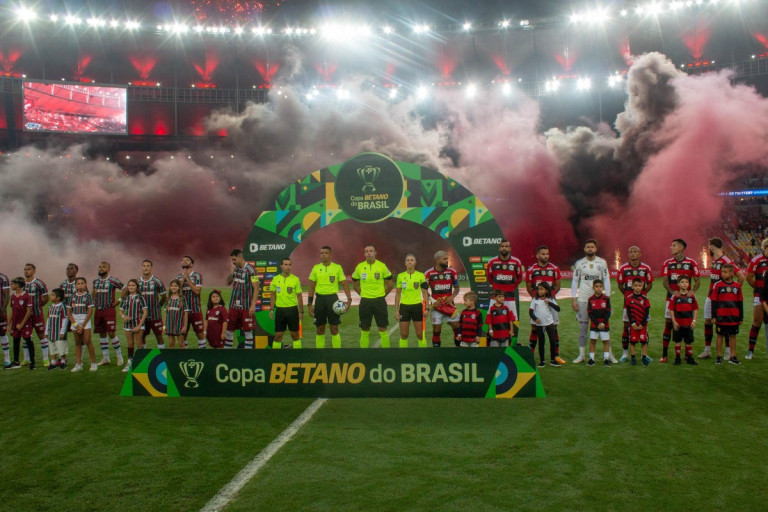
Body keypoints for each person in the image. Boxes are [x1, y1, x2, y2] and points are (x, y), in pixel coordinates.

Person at [699, 238, 744, 359]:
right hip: (711, 297)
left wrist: (733, 293)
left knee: (726, 325)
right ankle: (707, 350)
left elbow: (741, 277)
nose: (708, 248)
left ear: (712, 246)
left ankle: (728, 351)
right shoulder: (714, 260)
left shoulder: (726, 260)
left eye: (709, 246)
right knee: (707, 321)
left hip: (722, 300)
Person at [571, 240, 614, 363]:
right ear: (584, 249)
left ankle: (609, 354)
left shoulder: (602, 262)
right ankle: (582, 355)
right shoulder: (579, 263)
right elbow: (574, 281)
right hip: (584, 299)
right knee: (583, 327)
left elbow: (606, 279)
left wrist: (608, 297)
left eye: (592, 247)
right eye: (588, 246)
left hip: (600, 300)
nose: (590, 248)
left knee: (604, 326)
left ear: (596, 249)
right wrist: (574, 298)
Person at [660, 239, 700, 363]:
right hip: (671, 298)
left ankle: (688, 355)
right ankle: (664, 354)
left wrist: (693, 291)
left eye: (674, 245)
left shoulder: (691, 262)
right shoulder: (667, 263)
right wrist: (672, 293)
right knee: (669, 324)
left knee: (687, 324)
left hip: (687, 299)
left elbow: (697, 280)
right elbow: (665, 281)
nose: (671, 247)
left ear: (681, 247)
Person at [525, 245, 566, 364]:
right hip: (537, 303)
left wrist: (550, 297)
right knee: (535, 328)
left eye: (547, 254)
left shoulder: (554, 268)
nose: (545, 256)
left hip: (551, 302)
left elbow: (557, 286)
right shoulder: (531, 270)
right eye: (543, 254)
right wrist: (537, 299)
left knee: (554, 328)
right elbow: (529, 287)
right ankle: (530, 355)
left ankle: (556, 356)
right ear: (537, 255)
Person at [307, 246, 352, 349]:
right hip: (320, 300)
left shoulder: (337, 267)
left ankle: (336, 354)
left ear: (330, 255)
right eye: (321, 253)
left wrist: (349, 300)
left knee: (334, 328)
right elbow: (312, 287)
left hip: (333, 299)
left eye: (326, 253)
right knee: (320, 329)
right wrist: (309, 304)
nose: (323, 255)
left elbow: (344, 284)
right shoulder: (316, 268)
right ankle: (320, 354)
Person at [616, 246, 654, 362]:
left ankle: (644, 354)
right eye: (631, 252)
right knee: (627, 327)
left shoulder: (646, 268)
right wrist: (628, 296)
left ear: (640, 254)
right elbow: (620, 285)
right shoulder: (623, 268)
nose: (633, 254)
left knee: (644, 327)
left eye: (635, 252)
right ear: (628, 254)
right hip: (628, 304)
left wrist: (642, 294)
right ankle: (625, 354)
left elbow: (650, 284)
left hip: (642, 304)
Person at [351, 245, 393, 348]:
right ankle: (364, 354)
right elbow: (355, 286)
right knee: (364, 329)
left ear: (375, 253)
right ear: (364, 254)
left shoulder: (382, 266)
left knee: (383, 329)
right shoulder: (359, 267)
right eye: (366, 251)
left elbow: (390, 285)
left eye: (371, 251)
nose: (369, 253)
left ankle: (386, 354)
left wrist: (381, 296)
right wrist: (364, 295)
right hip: (365, 302)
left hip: (379, 301)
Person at [486, 239, 525, 343]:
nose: (504, 248)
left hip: (510, 298)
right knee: (493, 320)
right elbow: (489, 277)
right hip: (495, 299)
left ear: (510, 248)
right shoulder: (492, 262)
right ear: (499, 248)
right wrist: (496, 287)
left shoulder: (516, 262)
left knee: (511, 320)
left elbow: (520, 277)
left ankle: (510, 344)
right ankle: (493, 343)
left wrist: (512, 286)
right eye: (502, 246)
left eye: (506, 246)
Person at [425, 251, 461, 347]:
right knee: (436, 331)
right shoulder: (429, 273)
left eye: (447, 259)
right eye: (444, 259)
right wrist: (433, 301)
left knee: (457, 327)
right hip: (436, 307)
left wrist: (451, 297)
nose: (446, 261)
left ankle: (459, 351)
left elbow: (457, 288)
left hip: (450, 305)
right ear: (437, 260)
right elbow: (424, 290)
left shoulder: (452, 272)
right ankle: (437, 353)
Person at [92, 262, 124, 366]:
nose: (101, 268)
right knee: (102, 333)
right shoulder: (95, 281)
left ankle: (119, 357)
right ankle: (106, 358)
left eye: (103, 267)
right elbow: (94, 293)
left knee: (111, 333)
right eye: (100, 267)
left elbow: (125, 288)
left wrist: (119, 300)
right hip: (98, 310)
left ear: (108, 269)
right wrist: (93, 298)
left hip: (109, 310)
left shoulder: (113, 280)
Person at [226, 249, 259, 349]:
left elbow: (256, 288)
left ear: (240, 257)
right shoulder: (235, 269)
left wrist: (253, 305)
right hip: (233, 306)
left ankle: (247, 353)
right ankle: (227, 353)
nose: (233, 262)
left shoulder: (251, 270)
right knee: (229, 329)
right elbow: (228, 282)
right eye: (232, 260)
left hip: (246, 306)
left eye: (234, 259)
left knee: (248, 330)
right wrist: (231, 272)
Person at [710, 264, 743, 365]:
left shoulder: (737, 286)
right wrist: (714, 316)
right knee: (720, 335)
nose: (723, 274)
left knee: (733, 336)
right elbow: (714, 302)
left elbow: (740, 302)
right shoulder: (717, 285)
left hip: (733, 316)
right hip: (721, 316)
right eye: (722, 272)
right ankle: (719, 356)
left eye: (725, 272)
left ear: (732, 273)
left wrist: (741, 317)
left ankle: (732, 356)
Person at [394, 254, 429, 348]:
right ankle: (403, 356)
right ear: (405, 263)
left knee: (420, 335)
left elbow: (425, 293)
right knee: (404, 335)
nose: (410, 262)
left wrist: (427, 308)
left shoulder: (420, 275)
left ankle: (423, 355)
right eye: (408, 260)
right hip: (404, 307)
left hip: (417, 306)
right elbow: (397, 294)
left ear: (415, 262)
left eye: (412, 260)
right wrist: (396, 310)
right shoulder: (400, 276)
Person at [269, 258, 304, 349]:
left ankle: (298, 356)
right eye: (285, 264)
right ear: (281, 266)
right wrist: (271, 309)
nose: (287, 267)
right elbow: (272, 295)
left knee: (295, 335)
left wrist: (301, 311)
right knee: (278, 336)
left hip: (292, 310)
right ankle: (275, 358)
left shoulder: (295, 279)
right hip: (280, 310)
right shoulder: (275, 279)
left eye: (289, 265)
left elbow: (299, 296)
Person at [132, 260, 167, 350]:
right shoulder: (137, 282)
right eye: (144, 266)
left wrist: (158, 307)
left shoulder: (157, 281)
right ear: (141, 267)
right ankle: (144, 358)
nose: (146, 267)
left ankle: (162, 357)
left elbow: (164, 297)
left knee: (159, 337)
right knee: (142, 337)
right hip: (141, 316)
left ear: (151, 268)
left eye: (148, 266)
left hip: (155, 316)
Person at [67, 277, 97, 373]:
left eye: (82, 283)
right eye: (78, 284)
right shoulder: (72, 297)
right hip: (75, 320)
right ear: (75, 285)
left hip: (85, 320)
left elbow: (90, 312)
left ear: (85, 285)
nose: (80, 285)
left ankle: (93, 363)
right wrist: (75, 324)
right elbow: (68, 312)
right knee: (77, 342)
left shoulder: (88, 296)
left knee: (88, 341)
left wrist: (82, 325)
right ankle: (78, 363)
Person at [175, 256, 206, 349]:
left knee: (200, 334)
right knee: (183, 334)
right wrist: (182, 281)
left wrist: (187, 279)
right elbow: (176, 293)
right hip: (183, 311)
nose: (184, 261)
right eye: (183, 260)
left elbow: (197, 291)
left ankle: (203, 354)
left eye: (187, 260)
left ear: (191, 264)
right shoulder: (178, 277)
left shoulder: (197, 276)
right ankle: (186, 356)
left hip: (195, 309)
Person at [23, 263, 49, 366]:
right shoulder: (22, 284)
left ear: (34, 271)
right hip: (25, 316)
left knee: (41, 335)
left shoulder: (39, 283)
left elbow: (46, 298)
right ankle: (26, 359)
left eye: (29, 269)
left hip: (37, 314)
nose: (26, 271)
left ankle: (46, 359)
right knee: (26, 336)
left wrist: (38, 306)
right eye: (25, 269)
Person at [745, 239, 768, 359]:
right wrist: (759, 289)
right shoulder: (756, 260)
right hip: (760, 296)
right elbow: (749, 278)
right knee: (757, 322)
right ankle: (750, 350)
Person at [529, 282, 561, 367]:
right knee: (541, 342)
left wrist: (550, 303)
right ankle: (542, 361)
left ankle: (552, 360)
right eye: (538, 289)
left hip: (549, 323)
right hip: (540, 325)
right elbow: (530, 312)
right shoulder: (535, 300)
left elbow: (558, 309)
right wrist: (535, 319)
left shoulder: (550, 299)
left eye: (541, 289)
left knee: (552, 341)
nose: (539, 291)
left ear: (546, 290)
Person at [669, 276, 698, 365]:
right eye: (682, 282)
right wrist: (674, 322)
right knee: (677, 341)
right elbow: (671, 309)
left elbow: (696, 309)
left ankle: (689, 358)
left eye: (686, 282)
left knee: (688, 342)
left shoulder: (692, 296)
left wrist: (694, 321)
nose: (684, 283)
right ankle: (677, 358)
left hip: (688, 324)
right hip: (678, 324)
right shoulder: (675, 296)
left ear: (689, 284)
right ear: (678, 284)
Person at [121, 279, 148, 372]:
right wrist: (123, 316)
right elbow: (120, 310)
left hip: (138, 324)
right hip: (128, 324)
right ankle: (130, 362)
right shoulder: (125, 298)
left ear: (137, 287)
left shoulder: (140, 298)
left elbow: (145, 312)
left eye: (133, 285)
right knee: (130, 343)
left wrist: (139, 325)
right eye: (129, 285)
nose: (131, 287)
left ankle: (142, 363)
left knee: (139, 343)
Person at [6, 277, 33, 370]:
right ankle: (16, 361)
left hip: (24, 324)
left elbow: (28, 312)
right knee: (15, 342)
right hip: (15, 324)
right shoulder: (13, 297)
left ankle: (32, 363)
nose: (11, 285)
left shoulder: (26, 296)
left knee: (28, 341)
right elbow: (12, 311)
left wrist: (22, 324)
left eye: (12, 283)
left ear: (17, 285)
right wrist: (8, 324)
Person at [625, 278, 652, 366]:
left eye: (639, 286)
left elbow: (647, 312)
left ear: (642, 286)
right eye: (635, 286)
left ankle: (644, 357)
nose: (637, 287)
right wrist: (632, 323)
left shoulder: (645, 298)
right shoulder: (629, 298)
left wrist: (642, 323)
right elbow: (628, 312)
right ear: (632, 286)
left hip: (642, 325)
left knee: (644, 341)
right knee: (632, 341)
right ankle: (633, 358)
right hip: (633, 325)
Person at [587, 280, 612, 367]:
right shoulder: (590, 299)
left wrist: (603, 323)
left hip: (604, 324)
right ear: (593, 288)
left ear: (603, 288)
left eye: (600, 286)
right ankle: (591, 359)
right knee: (593, 341)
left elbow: (608, 312)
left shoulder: (606, 299)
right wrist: (597, 323)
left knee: (605, 342)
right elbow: (590, 313)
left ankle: (606, 359)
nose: (598, 288)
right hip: (594, 324)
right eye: (596, 286)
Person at [45, 289, 68, 370]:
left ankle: (63, 362)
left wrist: (62, 331)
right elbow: (48, 319)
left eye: (52, 295)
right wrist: (46, 330)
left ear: (58, 298)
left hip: (59, 332)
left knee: (61, 347)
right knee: (52, 347)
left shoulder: (62, 307)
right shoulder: (50, 307)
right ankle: (53, 362)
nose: (50, 296)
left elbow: (65, 319)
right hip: (51, 332)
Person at [164, 279, 187, 349]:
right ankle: (172, 359)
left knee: (181, 343)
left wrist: (185, 326)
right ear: (170, 287)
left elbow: (185, 313)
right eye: (172, 286)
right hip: (169, 325)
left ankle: (184, 359)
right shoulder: (168, 299)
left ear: (179, 288)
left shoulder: (182, 299)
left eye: (175, 286)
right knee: (171, 344)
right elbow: (165, 314)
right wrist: (164, 327)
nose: (173, 287)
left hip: (179, 325)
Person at [0, 271, 10, 368]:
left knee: (2, 333)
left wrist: (3, 310)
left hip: (0, 311)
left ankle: (7, 359)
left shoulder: (3, 278)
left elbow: (7, 295)